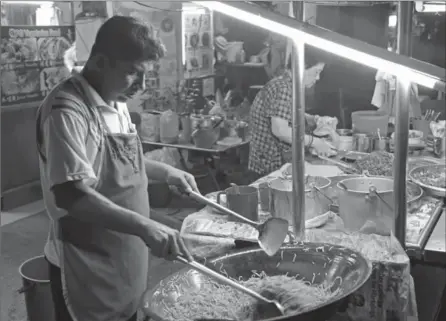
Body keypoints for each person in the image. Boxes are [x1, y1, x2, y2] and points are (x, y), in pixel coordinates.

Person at [36, 16, 198, 321]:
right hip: (86, 263)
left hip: (123, 251)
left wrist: (166, 172)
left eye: (146, 75)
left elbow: (118, 162)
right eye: (132, 73)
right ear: (99, 62)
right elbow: (72, 195)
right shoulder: (67, 111)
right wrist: (146, 226)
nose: (142, 85)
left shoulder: (115, 99)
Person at [248, 60, 338, 178]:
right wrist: (315, 142)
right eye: (316, 72)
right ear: (301, 67)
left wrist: (315, 119)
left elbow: (286, 112)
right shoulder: (283, 88)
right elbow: (280, 130)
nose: (318, 78)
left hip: (272, 161)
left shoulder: (286, 84)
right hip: (270, 166)